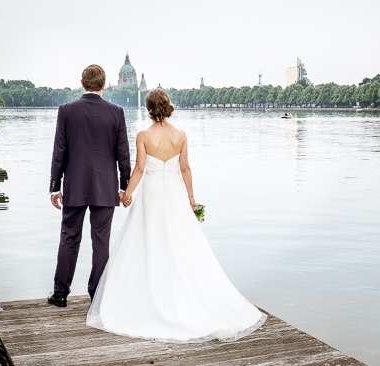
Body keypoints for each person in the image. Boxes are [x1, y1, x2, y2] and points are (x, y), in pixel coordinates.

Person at [86, 89, 266, 342]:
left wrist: (126, 194)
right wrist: (191, 197)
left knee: (147, 242)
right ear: (167, 106)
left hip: (150, 196)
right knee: (181, 242)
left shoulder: (143, 135)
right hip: (174, 195)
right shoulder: (180, 135)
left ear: (148, 109)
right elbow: (185, 168)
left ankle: (148, 293)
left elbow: (138, 170)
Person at [48, 64, 131, 308]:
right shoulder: (116, 112)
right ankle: (98, 296)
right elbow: (123, 155)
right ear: (104, 85)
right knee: (101, 242)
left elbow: (59, 151)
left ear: (82, 83)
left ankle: (60, 294)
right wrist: (125, 187)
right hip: (106, 188)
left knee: (68, 239)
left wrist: (55, 186)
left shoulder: (66, 110)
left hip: (74, 185)